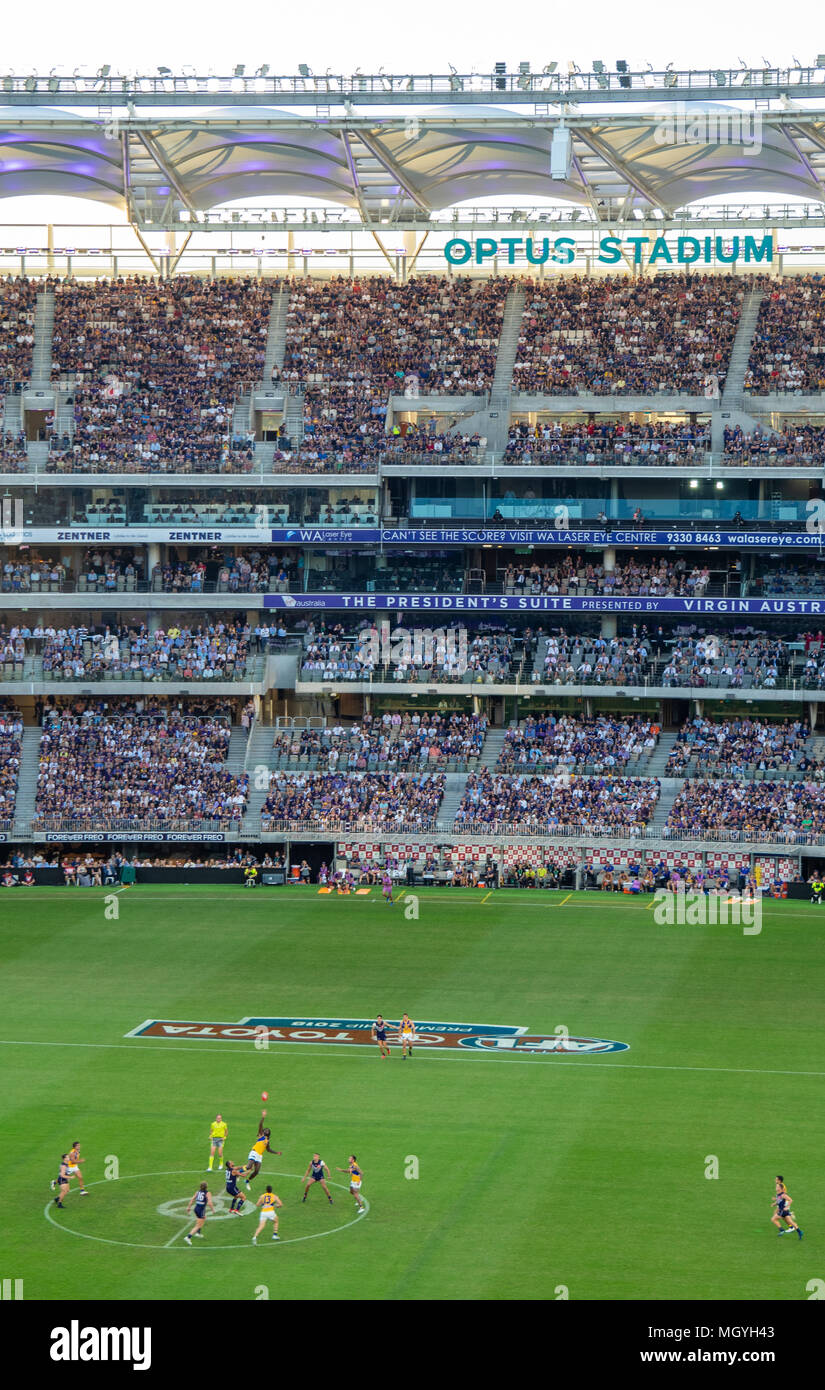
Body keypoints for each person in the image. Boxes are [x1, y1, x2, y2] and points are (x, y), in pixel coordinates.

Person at [245, 1111, 281, 1187]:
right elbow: (260, 1125)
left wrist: (276, 1152)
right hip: (254, 1152)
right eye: (265, 1130)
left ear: (269, 1133)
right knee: (248, 1166)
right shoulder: (261, 1135)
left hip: (259, 1155)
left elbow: (268, 1150)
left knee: (257, 1171)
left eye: (268, 1130)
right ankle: (238, 1174)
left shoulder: (267, 1141)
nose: (267, 1130)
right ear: (263, 1131)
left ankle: (247, 1181)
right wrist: (263, 1117)